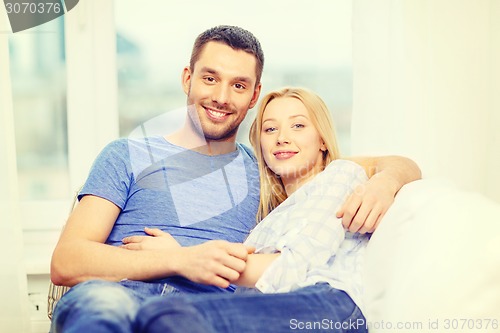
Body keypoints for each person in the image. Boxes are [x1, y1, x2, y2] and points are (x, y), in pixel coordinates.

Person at [49, 25, 421, 333]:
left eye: (239, 85)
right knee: (102, 309)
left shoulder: (271, 167)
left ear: (254, 95)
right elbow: (68, 262)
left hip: (203, 314)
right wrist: (179, 262)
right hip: (116, 295)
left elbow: (389, 165)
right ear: (187, 78)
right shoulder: (125, 154)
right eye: (210, 79)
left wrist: (384, 184)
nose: (222, 97)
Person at [133, 86, 371, 333]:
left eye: (298, 126)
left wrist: (184, 258)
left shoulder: (341, 174)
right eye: (270, 129)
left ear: (322, 139)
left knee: (166, 316)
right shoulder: (271, 216)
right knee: (153, 312)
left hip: (328, 306)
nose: (282, 137)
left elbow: (294, 267)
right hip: (278, 308)